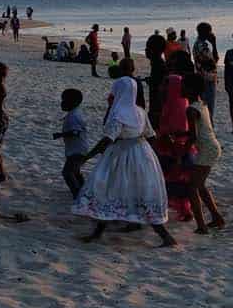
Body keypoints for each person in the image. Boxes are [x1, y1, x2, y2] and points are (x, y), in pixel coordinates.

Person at [75, 76, 177, 247]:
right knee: (141, 193)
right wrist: (152, 157)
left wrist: (86, 157)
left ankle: (98, 233)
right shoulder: (140, 111)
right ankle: (164, 236)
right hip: (142, 153)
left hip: (121, 155)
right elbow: (151, 135)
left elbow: (107, 140)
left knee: (108, 191)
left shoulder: (119, 114)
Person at [182, 75, 226, 234]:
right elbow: (198, 130)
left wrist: (182, 152)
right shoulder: (202, 104)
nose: (181, 89)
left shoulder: (191, 109)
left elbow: (193, 136)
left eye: (184, 86)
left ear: (191, 89)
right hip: (212, 146)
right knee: (199, 185)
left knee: (192, 187)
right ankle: (216, 217)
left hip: (207, 149)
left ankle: (201, 226)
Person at [155, 74, 197, 224]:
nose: (162, 88)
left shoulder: (177, 106)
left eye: (165, 85)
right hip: (176, 148)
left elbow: (177, 131)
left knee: (173, 178)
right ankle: (182, 209)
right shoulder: (177, 103)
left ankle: (183, 209)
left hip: (176, 149)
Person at [54, 88, 89, 198]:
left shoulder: (73, 116)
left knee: (67, 173)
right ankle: (84, 190)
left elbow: (75, 132)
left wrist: (60, 135)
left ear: (73, 103)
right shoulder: (75, 113)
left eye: (65, 101)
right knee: (75, 171)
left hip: (76, 150)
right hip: (79, 148)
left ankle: (77, 194)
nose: (62, 103)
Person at [191, 23, 218, 118]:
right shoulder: (201, 45)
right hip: (207, 78)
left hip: (203, 76)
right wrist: (214, 44)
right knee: (208, 107)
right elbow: (214, 60)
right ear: (205, 32)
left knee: (205, 105)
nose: (211, 34)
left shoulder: (198, 44)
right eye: (210, 31)